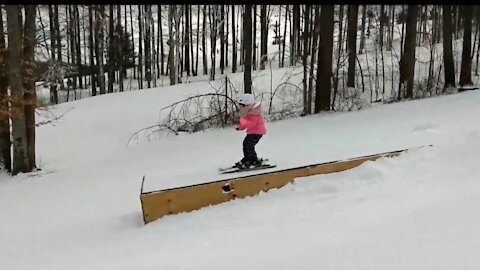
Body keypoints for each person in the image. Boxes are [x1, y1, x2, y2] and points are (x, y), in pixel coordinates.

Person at [234, 93, 267, 169]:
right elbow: (245, 124)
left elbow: (252, 124)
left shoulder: (254, 113)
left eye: (241, 106)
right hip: (252, 132)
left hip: (257, 132)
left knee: (249, 146)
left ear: (247, 105)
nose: (240, 107)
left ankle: (254, 160)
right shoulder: (248, 112)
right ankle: (247, 158)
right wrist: (240, 127)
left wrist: (243, 122)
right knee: (246, 144)